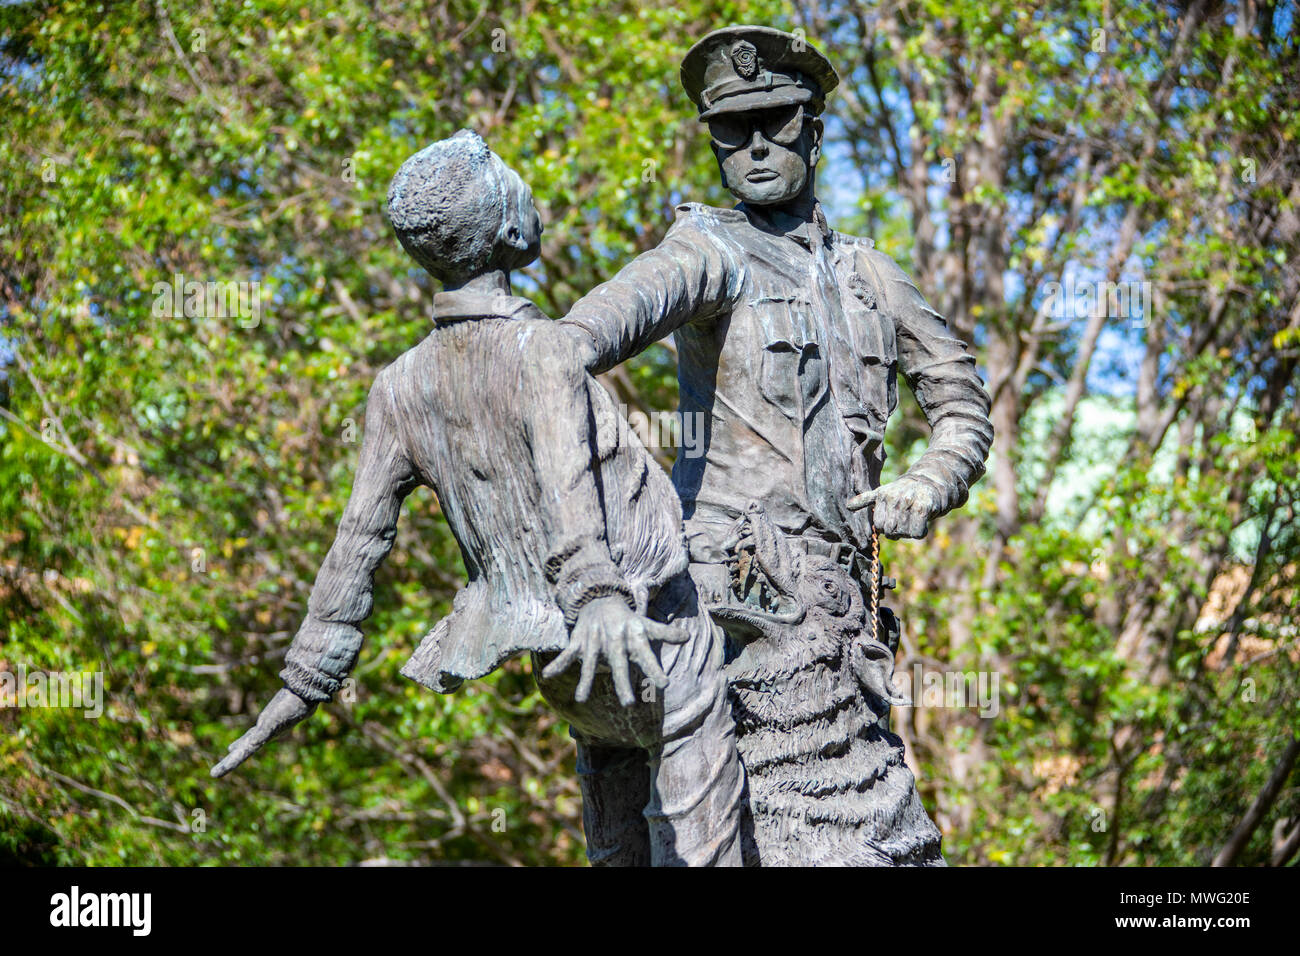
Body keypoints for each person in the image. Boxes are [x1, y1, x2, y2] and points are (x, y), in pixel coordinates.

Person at [211, 130, 745, 867]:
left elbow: (357, 544)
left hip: (562, 665)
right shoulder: (546, 351)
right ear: (509, 229)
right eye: (515, 181)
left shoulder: (399, 385)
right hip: (641, 639)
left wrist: (306, 680)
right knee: (700, 819)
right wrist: (596, 596)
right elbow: (568, 479)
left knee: (615, 826)